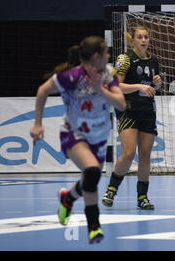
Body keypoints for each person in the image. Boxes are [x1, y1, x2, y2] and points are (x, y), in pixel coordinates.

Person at [30, 36, 126, 244]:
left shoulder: (108, 75)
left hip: (99, 138)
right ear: (95, 57)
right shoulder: (71, 77)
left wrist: (101, 88)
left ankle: (68, 198)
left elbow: (121, 104)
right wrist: (38, 123)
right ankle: (94, 227)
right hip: (74, 135)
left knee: (90, 179)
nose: (109, 56)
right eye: (105, 53)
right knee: (92, 171)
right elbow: (43, 90)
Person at [102, 26, 162, 210]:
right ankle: (111, 189)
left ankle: (142, 197)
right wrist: (138, 87)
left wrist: (157, 85)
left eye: (146, 37)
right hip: (127, 110)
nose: (143, 40)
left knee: (145, 155)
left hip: (147, 111)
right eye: (139, 37)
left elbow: (151, 88)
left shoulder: (153, 61)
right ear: (133, 40)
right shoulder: (125, 59)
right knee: (128, 153)